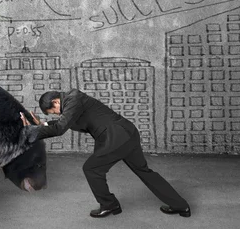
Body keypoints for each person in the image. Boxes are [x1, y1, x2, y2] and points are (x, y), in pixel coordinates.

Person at [21, 89, 191, 218]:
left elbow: (59, 128)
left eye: (54, 112)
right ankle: (180, 205)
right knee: (144, 171)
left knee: (91, 169)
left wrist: (32, 131)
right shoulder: (73, 102)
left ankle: (109, 205)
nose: (57, 114)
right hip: (126, 134)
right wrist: (42, 125)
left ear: (56, 102)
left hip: (116, 137)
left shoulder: (73, 98)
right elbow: (64, 122)